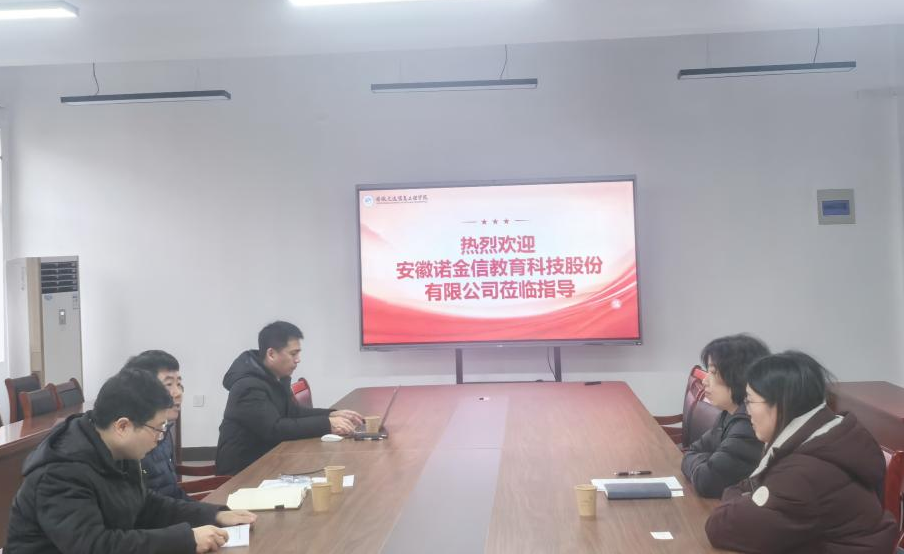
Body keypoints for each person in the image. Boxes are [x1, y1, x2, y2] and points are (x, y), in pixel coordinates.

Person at [6, 368, 256, 554]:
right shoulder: (60, 473)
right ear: (123, 426)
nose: (160, 438)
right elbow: (95, 547)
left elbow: (147, 506)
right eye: (157, 429)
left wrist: (214, 515)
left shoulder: (114, 449)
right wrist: (186, 539)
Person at [705, 351, 897, 553]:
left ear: (781, 404)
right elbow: (745, 488)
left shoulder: (803, 474)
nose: (747, 411)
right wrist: (748, 499)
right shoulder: (823, 437)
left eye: (751, 401)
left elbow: (720, 528)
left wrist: (743, 499)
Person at [216, 321, 363, 475]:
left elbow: (293, 412)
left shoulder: (276, 377)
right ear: (271, 354)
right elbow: (274, 429)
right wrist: (327, 424)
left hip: (271, 458)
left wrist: (331, 414)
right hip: (243, 473)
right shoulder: (248, 387)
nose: (298, 359)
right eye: (293, 354)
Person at [680, 334, 768, 498]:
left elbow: (707, 481)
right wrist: (707, 460)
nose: (705, 381)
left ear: (738, 376)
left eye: (713, 372)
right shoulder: (729, 413)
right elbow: (692, 451)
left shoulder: (749, 426)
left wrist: (706, 461)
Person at [127, 349, 190, 499]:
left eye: (179, 384)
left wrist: (212, 511)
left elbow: (172, 493)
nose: (178, 393)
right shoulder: (128, 442)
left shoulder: (164, 430)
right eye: (168, 384)